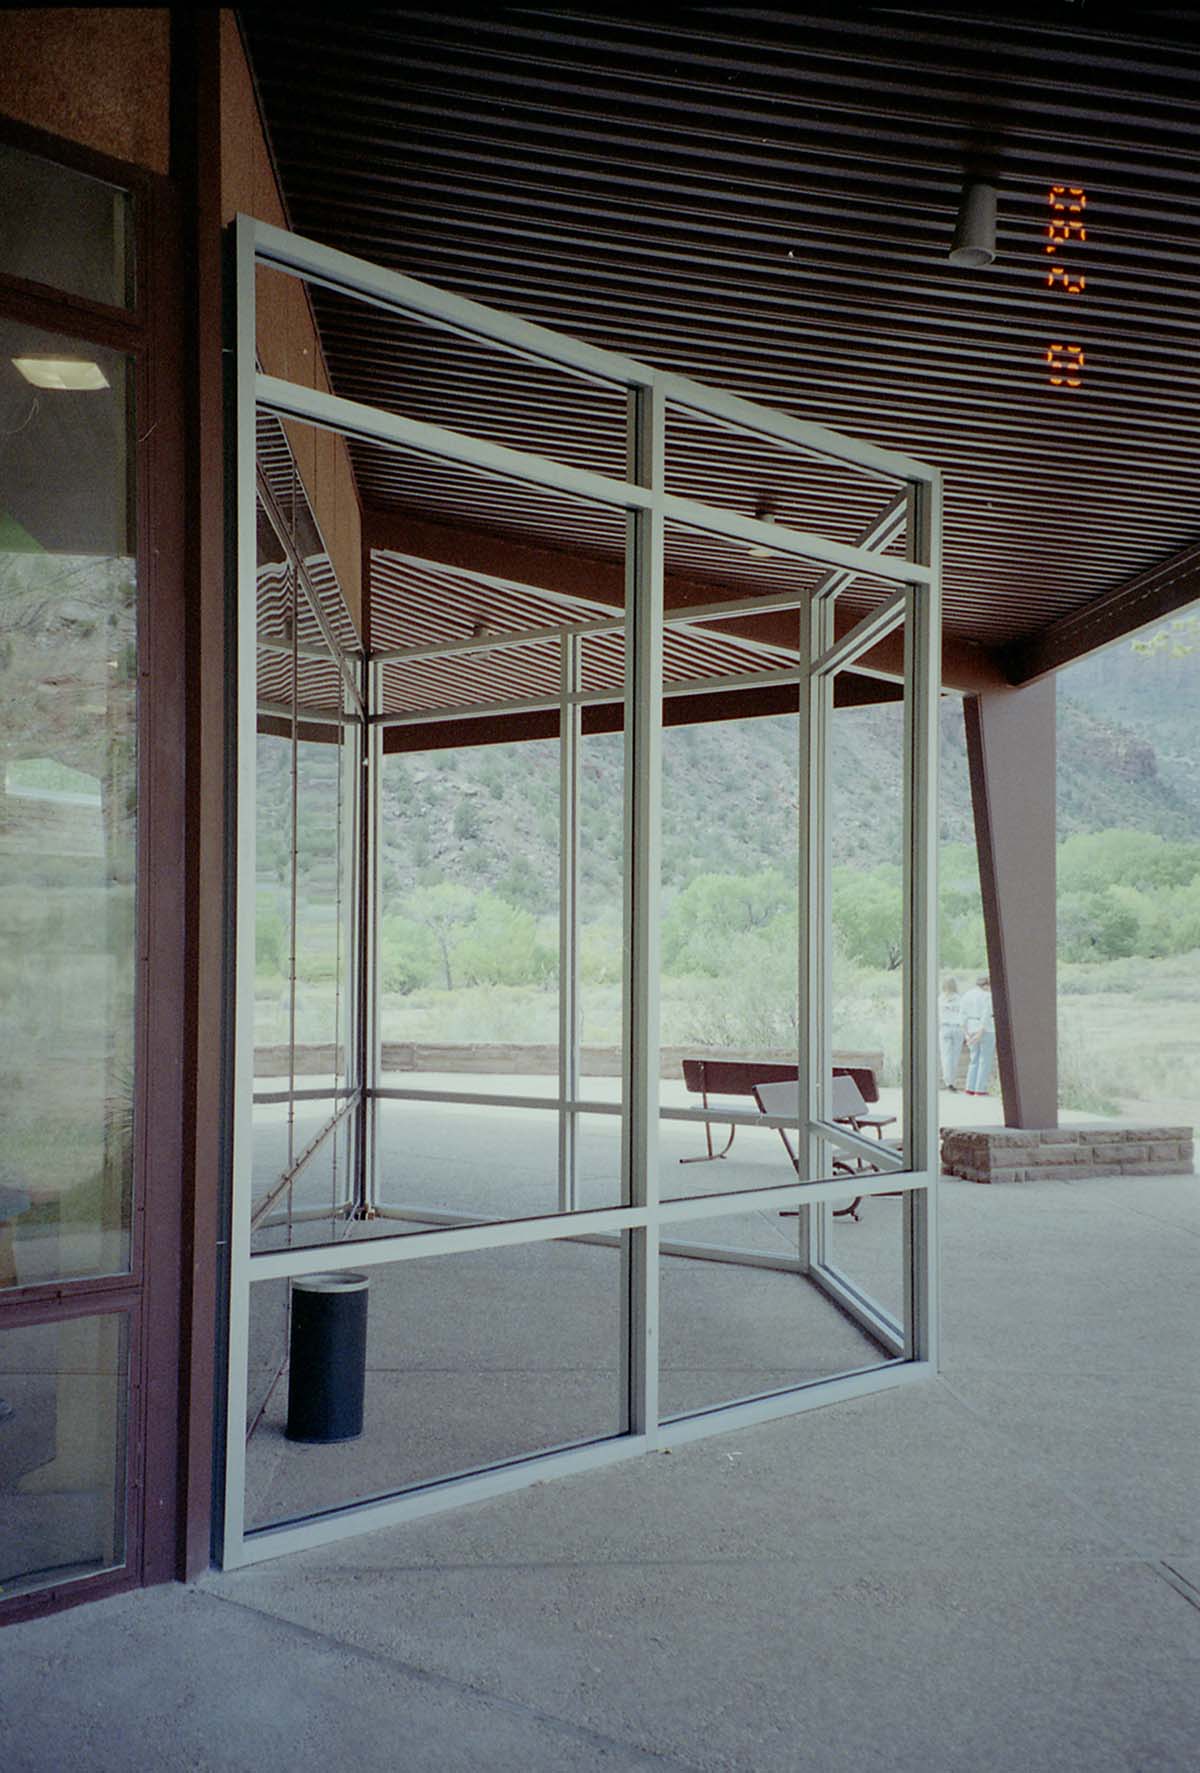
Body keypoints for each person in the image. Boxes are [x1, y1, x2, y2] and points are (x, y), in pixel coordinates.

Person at [961, 975, 995, 1096]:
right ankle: (980, 1089)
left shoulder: (967, 995)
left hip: (970, 1028)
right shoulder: (987, 996)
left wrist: (966, 1034)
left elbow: (962, 1015)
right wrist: (981, 1032)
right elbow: (986, 1015)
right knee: (984, 1060)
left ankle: (970, 1087)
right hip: (986, 1029)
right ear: (987, 985)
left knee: (973, 1059)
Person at [938, 977, 965, 1090]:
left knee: (945, 1055)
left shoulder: (940, 999)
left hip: (945, 1027)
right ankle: (952, 1081)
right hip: (957, 1028)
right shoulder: (960, 999)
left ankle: (947, 1080)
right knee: (955, 1056)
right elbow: (964, 1015)